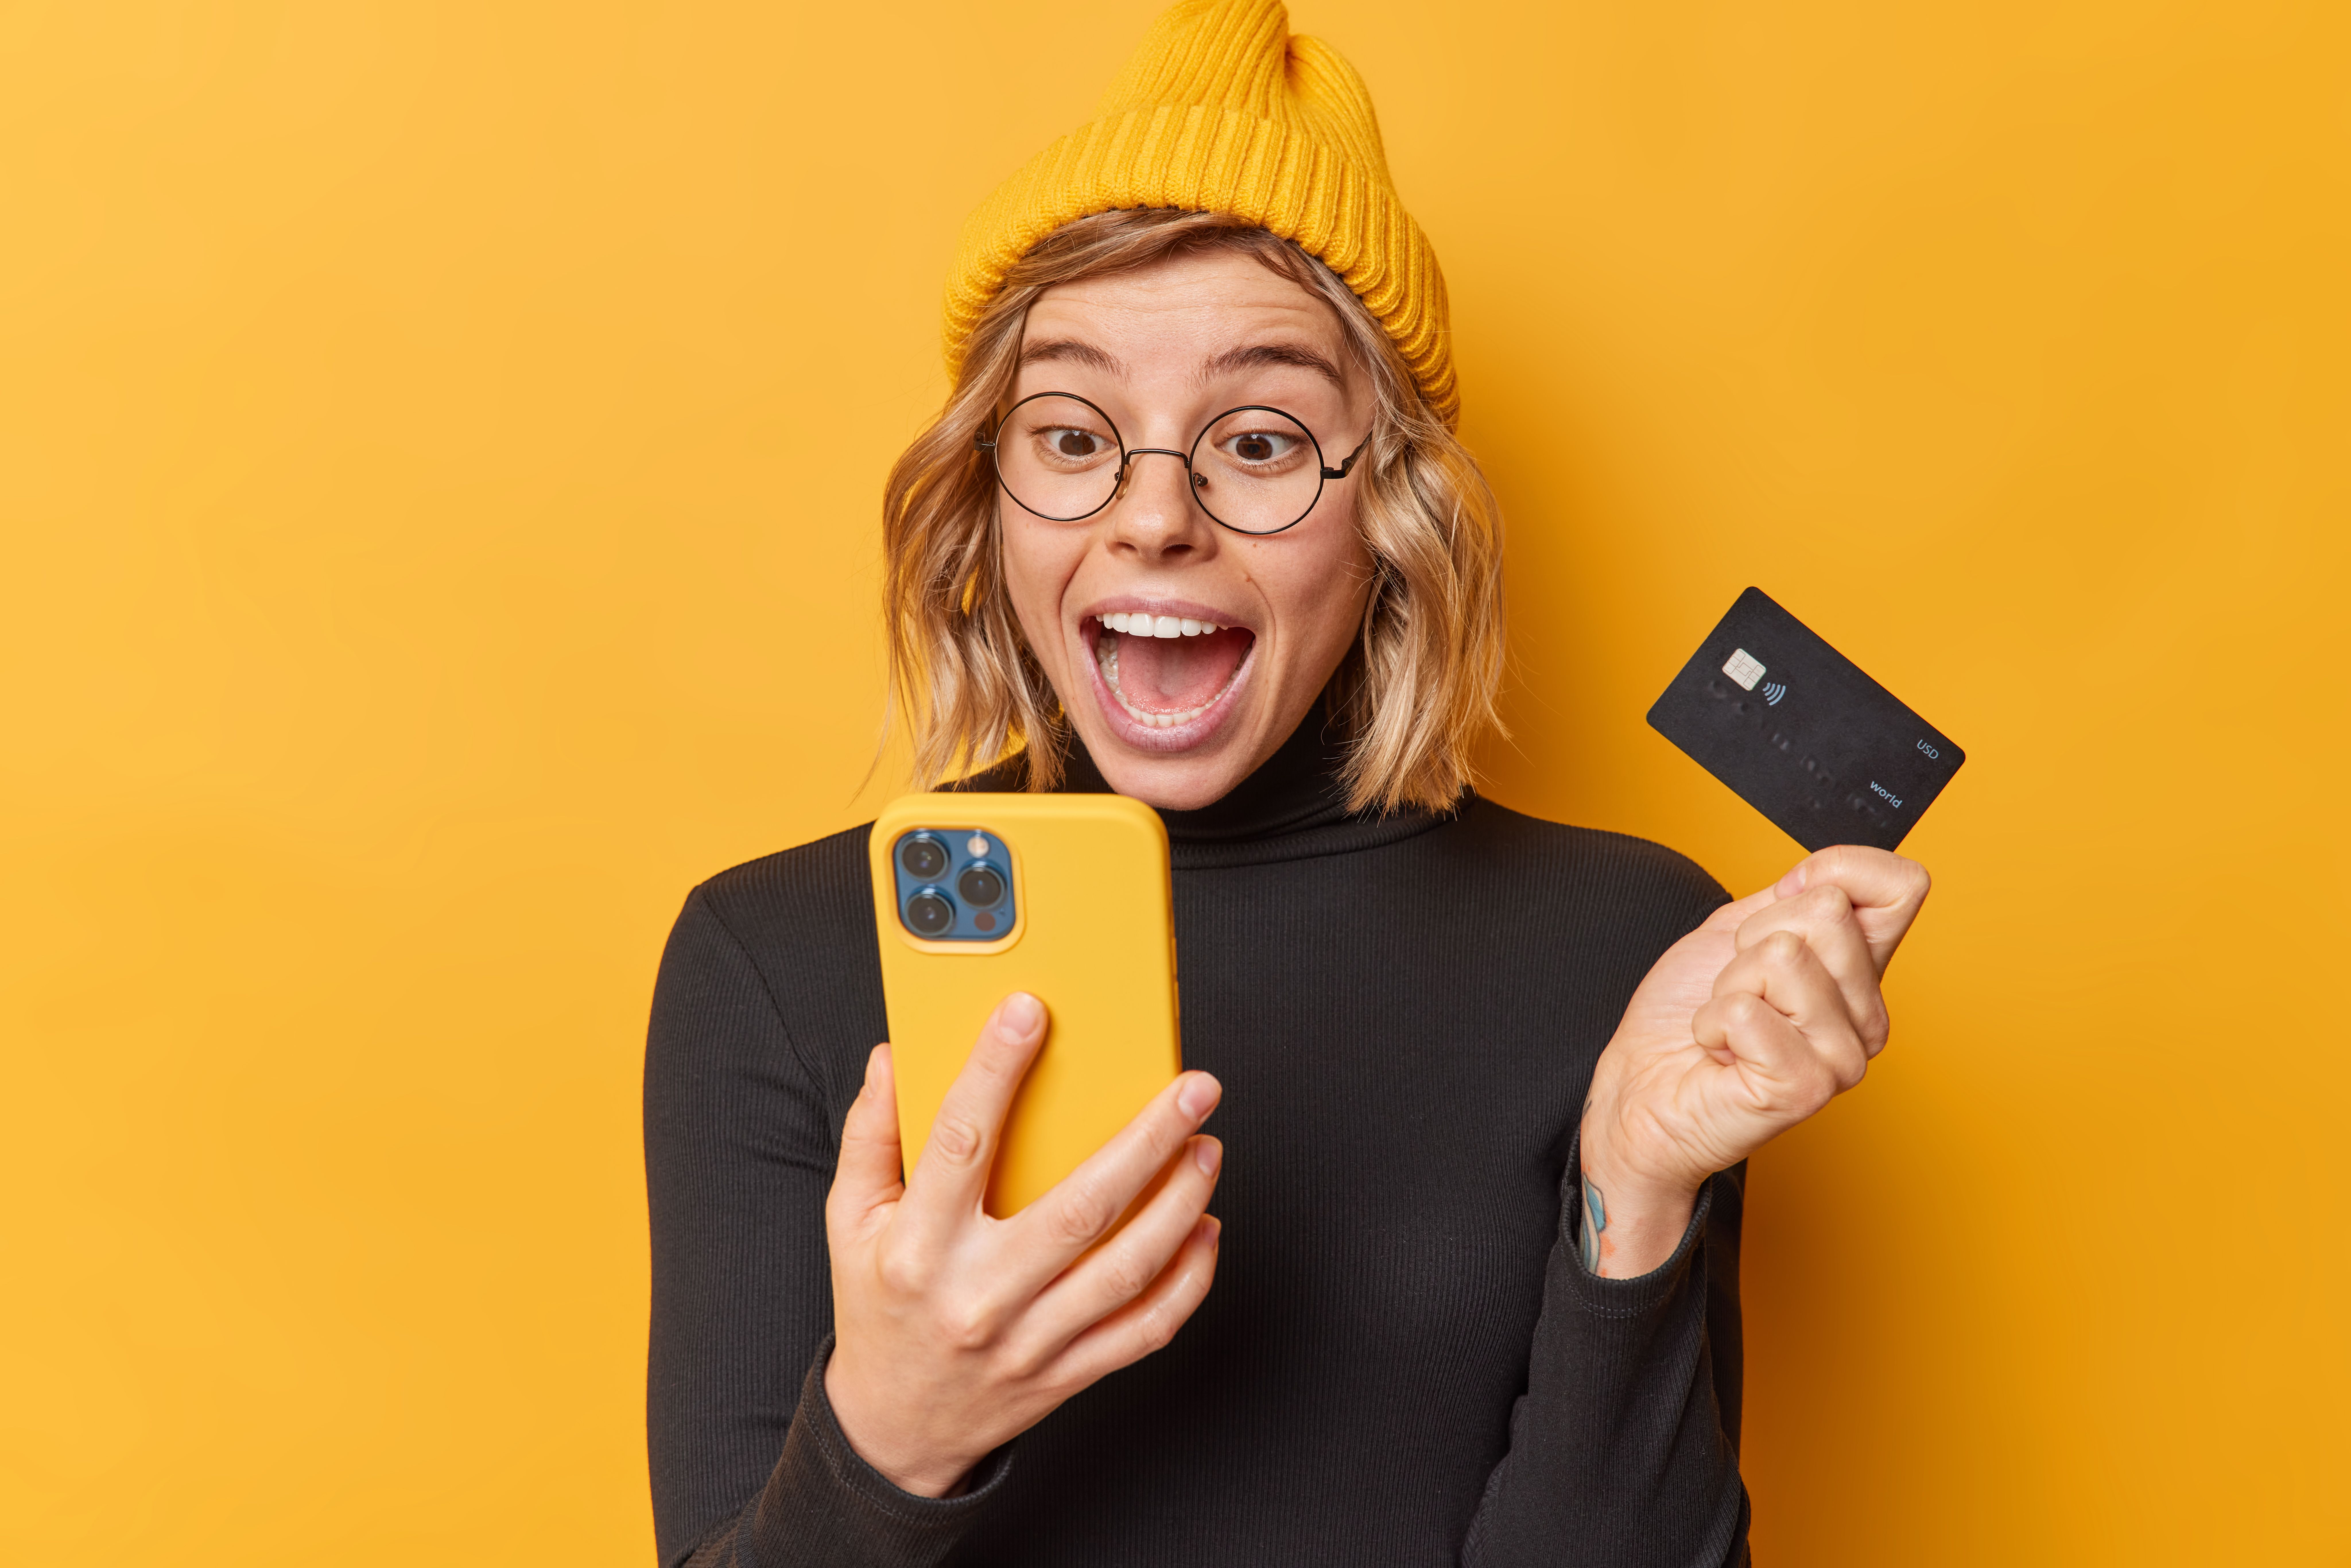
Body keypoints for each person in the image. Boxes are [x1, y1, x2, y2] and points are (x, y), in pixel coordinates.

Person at [642, 2, 1931, 1564]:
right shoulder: (772, 958)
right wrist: (890, 1436)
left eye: (1257, 441)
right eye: (1072, 433)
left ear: (1390, 513)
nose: (1154, 518)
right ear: (990, 499)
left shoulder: (1628, 946)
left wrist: (1635, 1192)